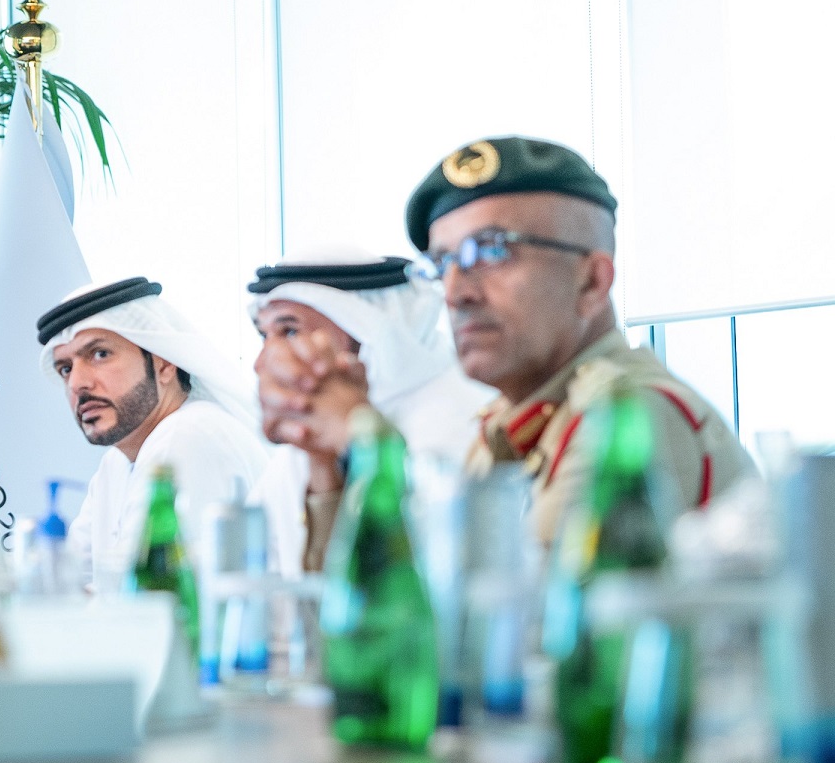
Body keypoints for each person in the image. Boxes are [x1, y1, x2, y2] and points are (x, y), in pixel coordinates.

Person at [257, 137, 749, 550]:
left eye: (491, 251)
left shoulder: (631, 414)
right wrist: (326, 467)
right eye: (443, 263)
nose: (456, 293)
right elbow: (368, 627)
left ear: (592, 282)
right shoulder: (509, 426)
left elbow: (514, 626)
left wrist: (365, 439)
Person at [248, 248, 493, 574]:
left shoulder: (459, 419)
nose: (263, 362)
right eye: (264, 336)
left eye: (290, 331)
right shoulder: (299, 445)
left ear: (364, 330)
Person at [37, 277, 266, 591]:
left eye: (100, 354)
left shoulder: (188, 433)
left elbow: (151, 598)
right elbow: (67, 585)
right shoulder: (116, 463)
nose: (77, 383)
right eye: (65, 368)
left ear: (164, 363)